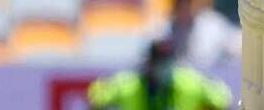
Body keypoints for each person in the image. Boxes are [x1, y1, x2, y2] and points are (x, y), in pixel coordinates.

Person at [88, 38, 232, 110]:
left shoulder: (189, 82)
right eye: (159, 62)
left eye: (167, 62)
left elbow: (222, 99)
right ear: (149, 63)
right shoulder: (129, 84)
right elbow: (95, 98)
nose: (163, 68)